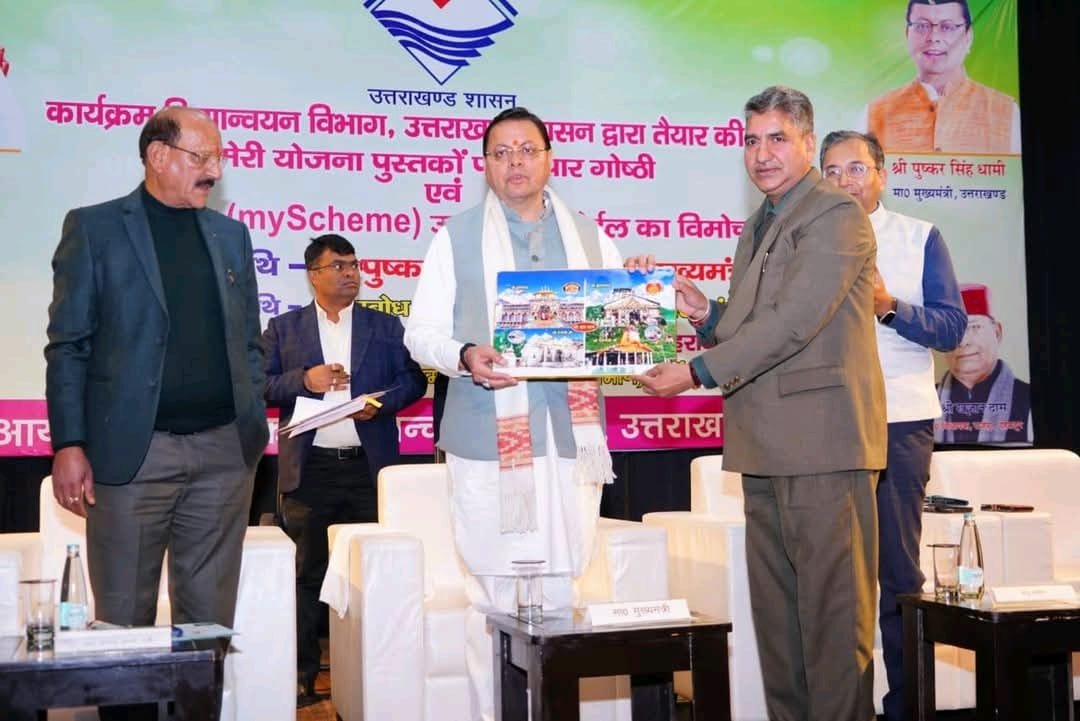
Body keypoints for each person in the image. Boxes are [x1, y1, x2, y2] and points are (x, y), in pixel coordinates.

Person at [628, 86, 886, 721]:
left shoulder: (835, 213)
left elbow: (794, 322)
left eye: (777, 139)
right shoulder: (760, 223)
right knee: (779, 630)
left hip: (823, 449)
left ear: (807, 142)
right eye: (751, 140)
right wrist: (702, 311)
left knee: (832, 627)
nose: (762, 153)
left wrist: (695, 371)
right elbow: (750, 324)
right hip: (763, 446)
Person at [45, 106, 268, 719]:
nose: (214, 171)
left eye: (218, 158)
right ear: (157, 156)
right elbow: (68, 345)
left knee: (207, 626)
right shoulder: (94, 228)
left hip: (224, 455)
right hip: (132, 455)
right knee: (123, 624)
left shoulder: (230, 236)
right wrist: (69, 442)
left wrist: (250, 417)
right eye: (202, 158)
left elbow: (249, 340)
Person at [403, 106, 621, 721]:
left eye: (527, 150)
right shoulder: (455, 237)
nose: (515, 162)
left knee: (561, 589)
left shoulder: (591, 237)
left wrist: (639, 303)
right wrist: (465, 354)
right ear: (485, 166)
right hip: (487, 442)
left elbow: (616, 328)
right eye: (501, 153)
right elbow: (420, 334)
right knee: (492, 596)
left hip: (572, 443)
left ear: (549, 158)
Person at [821, 129, 967, 721]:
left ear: (881, 174)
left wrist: (890, 308)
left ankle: (908, 707)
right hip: (827, 423)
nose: (844, 182)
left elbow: (952, 328)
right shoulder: (804, 240)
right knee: (834, 576)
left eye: (856, 169)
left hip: (899, 422)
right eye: (831, 172)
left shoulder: (918, 237)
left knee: (899, 572)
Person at [262, 233, 428, 704]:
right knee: (307, 575)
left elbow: (414, 380)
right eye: (339, 266)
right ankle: (302, 675)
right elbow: (258, 384)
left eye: (354, 265)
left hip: (369, 470)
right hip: (311, 470)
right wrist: (305, 380)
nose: (350, 273)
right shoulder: (284, 328)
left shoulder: (386, 326)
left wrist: (382, 403)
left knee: (374, 573)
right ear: (314, 275)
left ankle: (380, 674)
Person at [863, 0, 1021, 154]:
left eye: (947, 27)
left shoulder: (1006, 112)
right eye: (922, 26)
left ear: (968, 36)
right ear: (907, 34)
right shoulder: (874, 114)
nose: (933, 37)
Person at [936, 283, 1033, 443]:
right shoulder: (927, 401)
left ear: (997, 332)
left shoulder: (1028, 400)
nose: (963, 342)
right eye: (952, 331)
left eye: (974, 327)